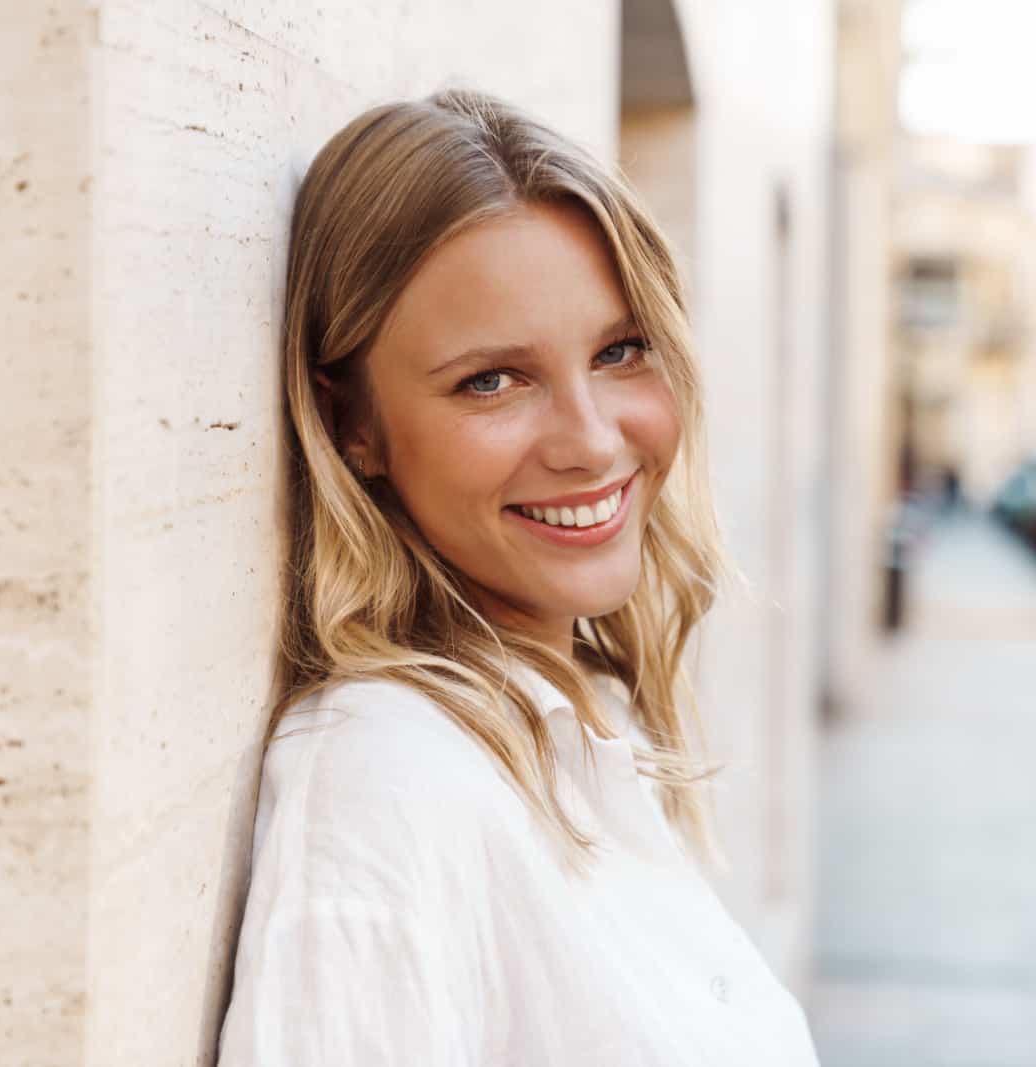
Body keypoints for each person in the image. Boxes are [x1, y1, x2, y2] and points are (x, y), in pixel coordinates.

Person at [215, 89, 821, 1065]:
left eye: (620, 351)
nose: (591, 441)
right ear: (352, 425)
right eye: (490, 380)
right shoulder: (387, 786)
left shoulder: (590, 719)